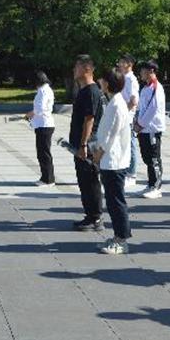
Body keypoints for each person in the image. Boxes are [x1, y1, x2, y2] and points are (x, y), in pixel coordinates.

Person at [92, 68, 133, 254]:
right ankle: (117, 237)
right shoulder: (115, 102)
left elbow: (110, 134)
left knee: (116, 202)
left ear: (107, 83)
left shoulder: (116, 104)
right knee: (112, 201)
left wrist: (99, 153)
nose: (99, 81)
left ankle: (122, 240)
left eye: (102, 79)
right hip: (111, 159)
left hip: (113, 161)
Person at [70, 55, 104, 231]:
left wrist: (83, 144)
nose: (74, 70)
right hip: (80, 144)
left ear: (86, 69)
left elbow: (89, 119)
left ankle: (96, 217)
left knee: (90, 180)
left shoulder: (91, 91)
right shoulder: (83, 90)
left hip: (88, 145)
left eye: (77, 67)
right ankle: (90, 215)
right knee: (84, 181)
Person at [135, 61, 166, 199]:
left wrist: (140, 124)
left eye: (143, 70)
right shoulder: (145, 88)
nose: (141, 73)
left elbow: (152, 109)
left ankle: (157, 187)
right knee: (147, 157)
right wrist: (137, 122)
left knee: (154, 158)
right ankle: (151, 183)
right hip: (144, 129)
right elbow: (141, 108)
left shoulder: (156, 87)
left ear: (151, 71)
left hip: (152, 128)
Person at [27, 71, 56, 186]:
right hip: (44, 124)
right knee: (43, 152)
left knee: (43, 153)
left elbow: (40, 109)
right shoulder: (46, 89)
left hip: (44, 125)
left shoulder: (43, 91)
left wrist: (30, 114)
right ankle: (46, 177)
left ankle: (48, 179)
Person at [118, 54, 141, 186]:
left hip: (128, 117)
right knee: (123, 144)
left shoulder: (131, 79)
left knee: (130, 145)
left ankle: (131, 174)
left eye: (122, 62)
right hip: (122, 115)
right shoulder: (124, 78)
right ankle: (125, 171)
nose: (120, 64)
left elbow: (133, 100)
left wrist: (125, 112)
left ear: (129, 64)